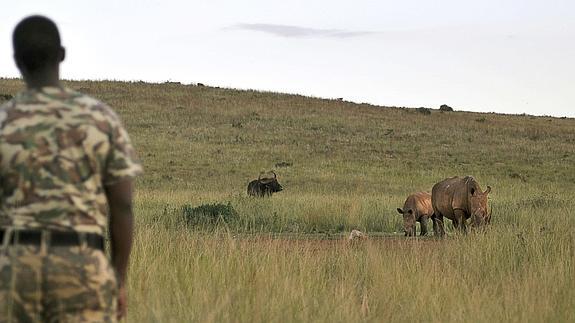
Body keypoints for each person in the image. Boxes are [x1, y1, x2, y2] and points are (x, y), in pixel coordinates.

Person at [0, 15, 142, 322]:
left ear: (17, 61)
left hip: (14, 270)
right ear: (61, 55)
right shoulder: (101, 119)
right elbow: (122, 205)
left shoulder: (3, 122)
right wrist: (118, 279)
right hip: (83, 267)